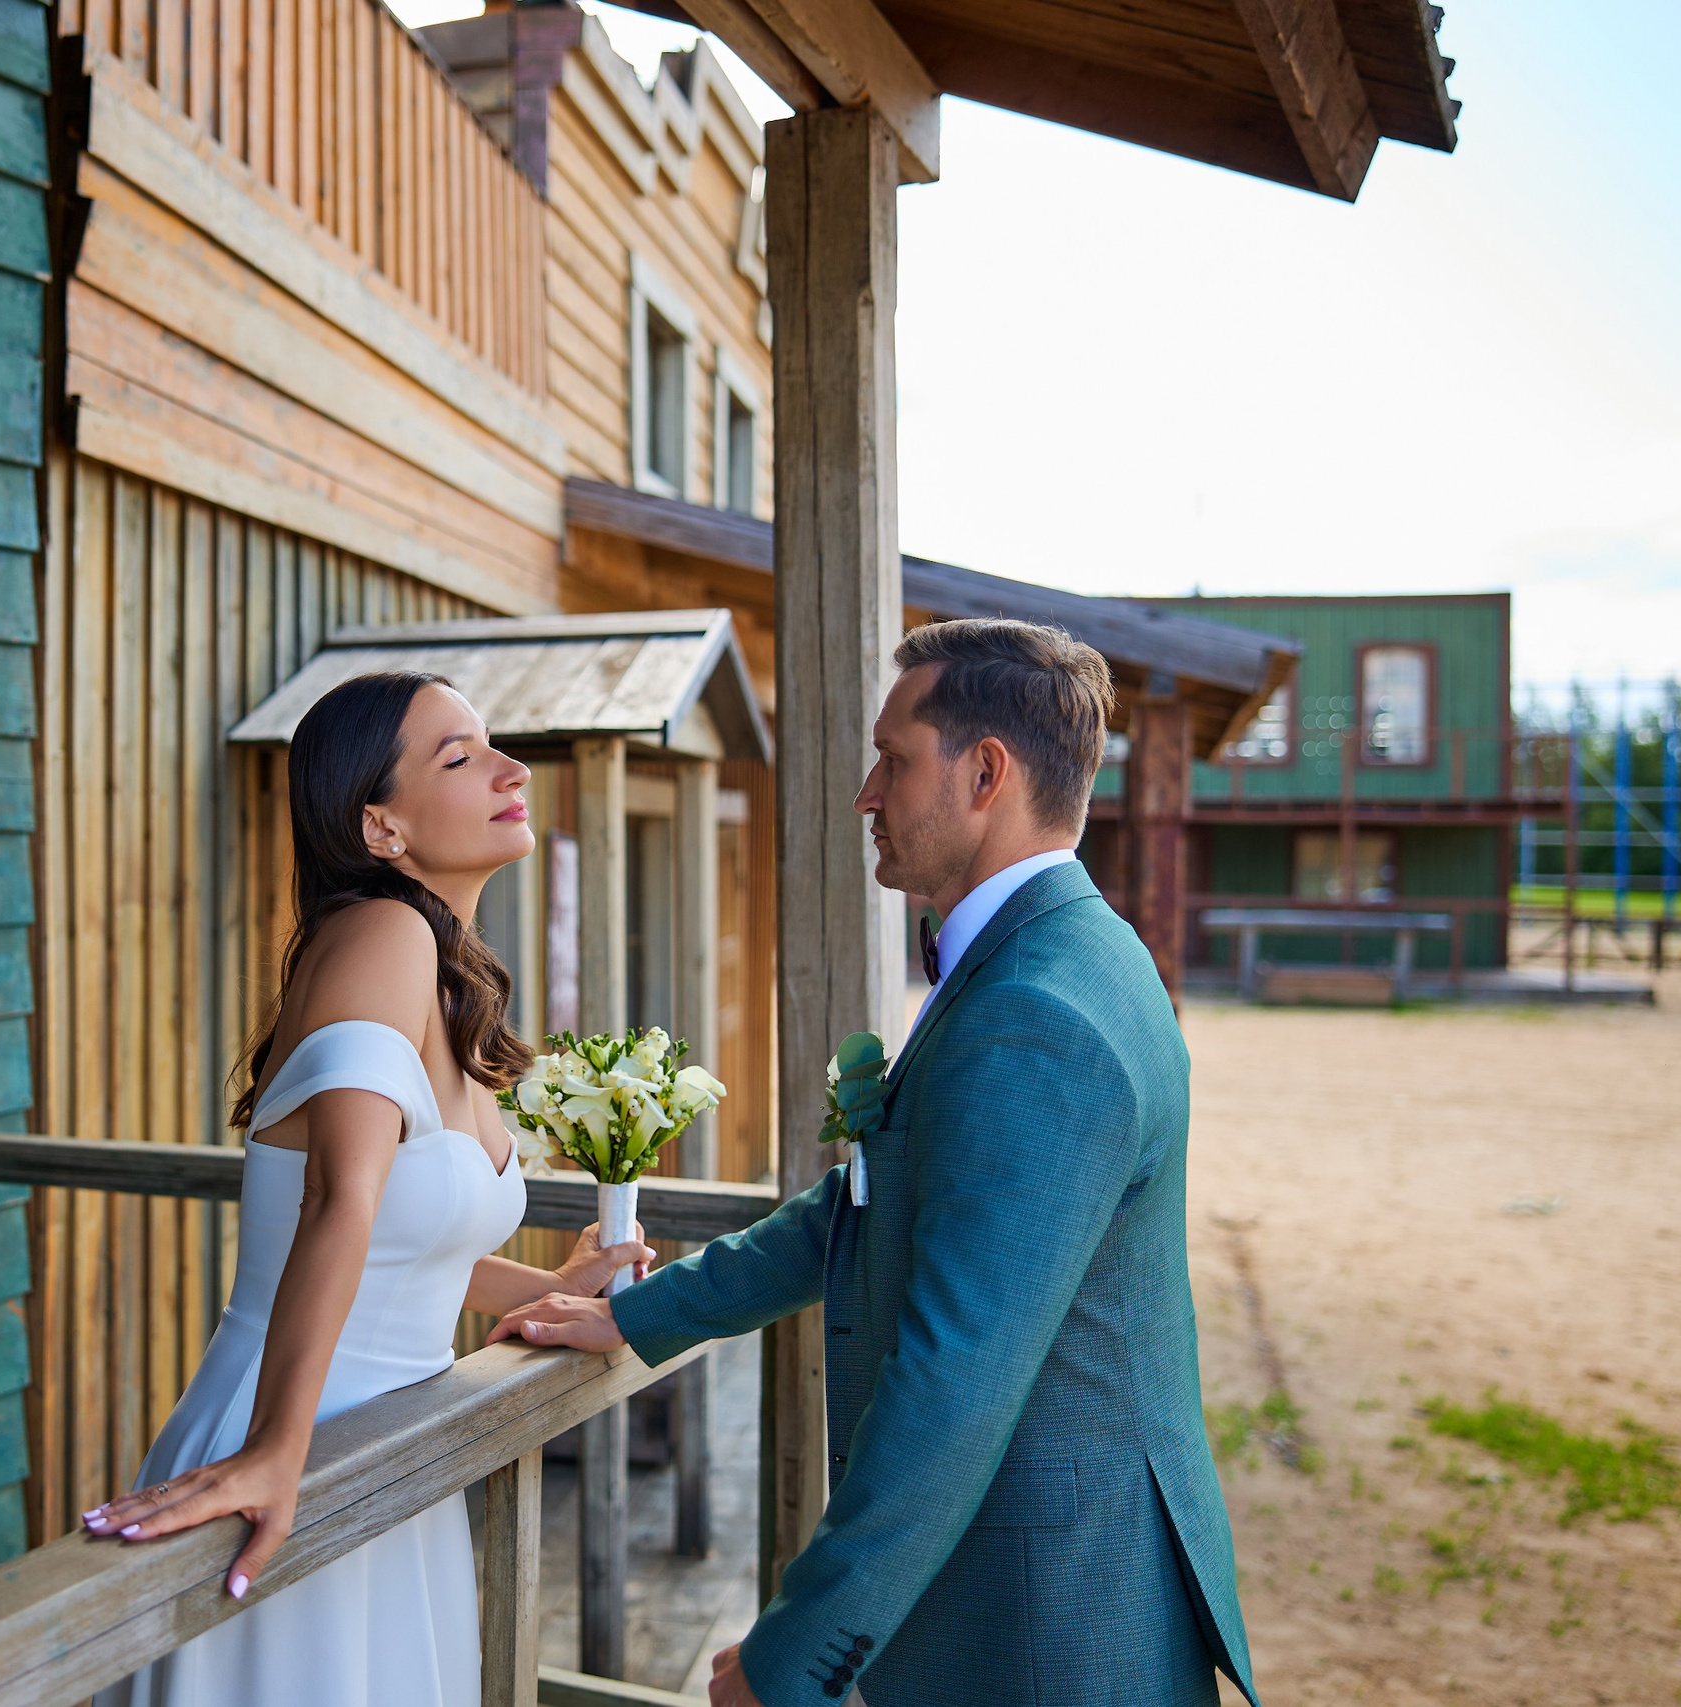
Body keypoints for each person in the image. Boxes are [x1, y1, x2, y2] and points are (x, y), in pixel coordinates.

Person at [490, 619, 1258, 1707]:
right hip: (1040, 1580)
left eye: (893, 760)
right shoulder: (1069, 949)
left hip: (1044, 1615)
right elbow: (863, 1204)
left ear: (984, 772)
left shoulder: (1036, 1014)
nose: (865, 794)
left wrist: (797, 1651)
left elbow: (957, 1377)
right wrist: (643, 1314)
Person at [85, 670, 652, 1707]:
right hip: (298, 1428)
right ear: (381, 827)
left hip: (390, 1441)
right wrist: (274, 1452)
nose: (509, 769)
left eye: (491, 745)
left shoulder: (436, 970)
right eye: (459, 756)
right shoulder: (382, 936)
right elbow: (337, 1202)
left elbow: (398, 1239)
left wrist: (549, 1288)